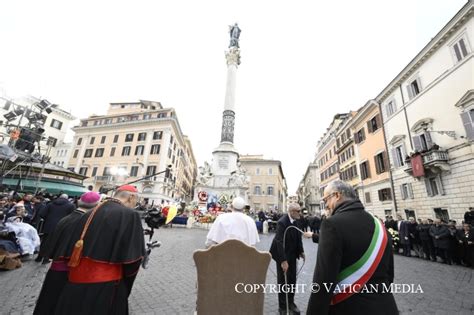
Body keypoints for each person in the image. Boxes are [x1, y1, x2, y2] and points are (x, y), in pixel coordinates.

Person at [307, 180, 397, 315]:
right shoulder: (379, 224)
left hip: (349, 307)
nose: (326, 205)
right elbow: (389, 274)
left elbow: (323, 281)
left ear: (337, 195)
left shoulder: (332, 224)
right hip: (385, 306)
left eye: (326, 199)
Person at [53, 185, 146, 314]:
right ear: (131, 197)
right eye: (136, 201)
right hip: (106, 287)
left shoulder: (89, 213)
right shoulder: (130, 215)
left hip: (74, 284)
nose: (136, 205)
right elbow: (132, 261)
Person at [34, 191, 101, 315]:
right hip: (68, 271)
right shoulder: (84, 222)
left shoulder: (67, 218)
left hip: (55, 267)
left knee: (47, 301)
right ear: (96, 206)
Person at [269, 203, 305, 315]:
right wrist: (283, 261)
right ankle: (283, 307)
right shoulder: (282, 222)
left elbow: (299, 237)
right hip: (282, 255)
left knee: (292, 280)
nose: (300, 213)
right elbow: (279, 242)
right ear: (292, 211)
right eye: (298, 211)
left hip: (292, 254)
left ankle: (291, 303)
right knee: (283, 281)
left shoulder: (297, 220)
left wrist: (301, 251)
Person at [36, 194, 75, 263]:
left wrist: (48, 219)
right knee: (53, 243)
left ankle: (39, 257)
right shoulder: (71, 206)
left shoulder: (51, 204)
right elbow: (72, 217)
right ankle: (46, 259)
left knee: (44, 242)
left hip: (48, 225)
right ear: (67, 198)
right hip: (61, 227)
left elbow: (42, 214)